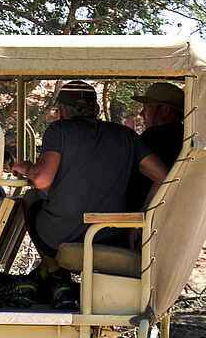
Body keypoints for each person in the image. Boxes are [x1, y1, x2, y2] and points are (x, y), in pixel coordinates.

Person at [9, 81, 167, 265]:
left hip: (61, 237)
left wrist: (28, 168)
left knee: (31, 198)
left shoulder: (59, 130)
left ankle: (52, 271)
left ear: (61, 111)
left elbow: (42, 180)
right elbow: (164, 177)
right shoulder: (126, 135)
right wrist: (143, 214)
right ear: (97, 109)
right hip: (111, 234)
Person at [123, 81, 184, 211]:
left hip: (139, 216)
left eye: (147, 107)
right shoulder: (184, 136)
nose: (142, 113)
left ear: (164, 110)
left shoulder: (155, 136)